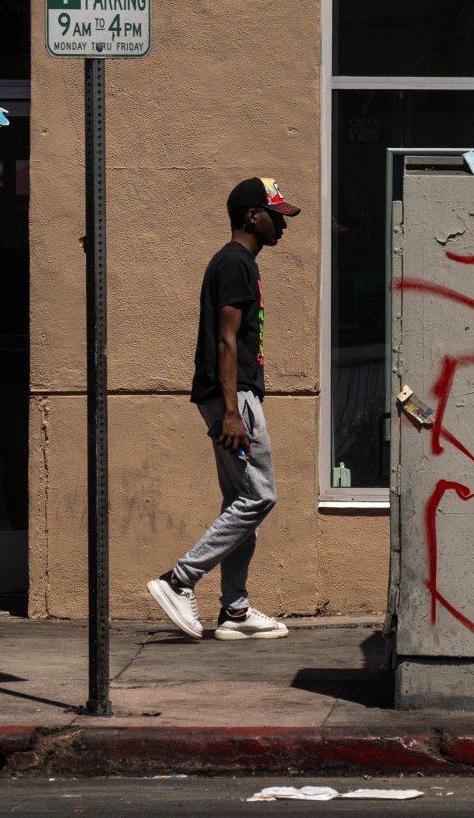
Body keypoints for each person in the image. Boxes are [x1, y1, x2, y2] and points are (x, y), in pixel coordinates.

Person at [146, 176, 300, 641]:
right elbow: (226, 340)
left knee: (240, 502)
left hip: (234, 397)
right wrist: (232, 412)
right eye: (277, 216)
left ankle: (234, 611)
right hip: (233, 399)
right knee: (260, 497)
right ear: (252, 216)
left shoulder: (238, 264)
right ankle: (179, 580)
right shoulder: (235, 264)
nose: (283, 226)